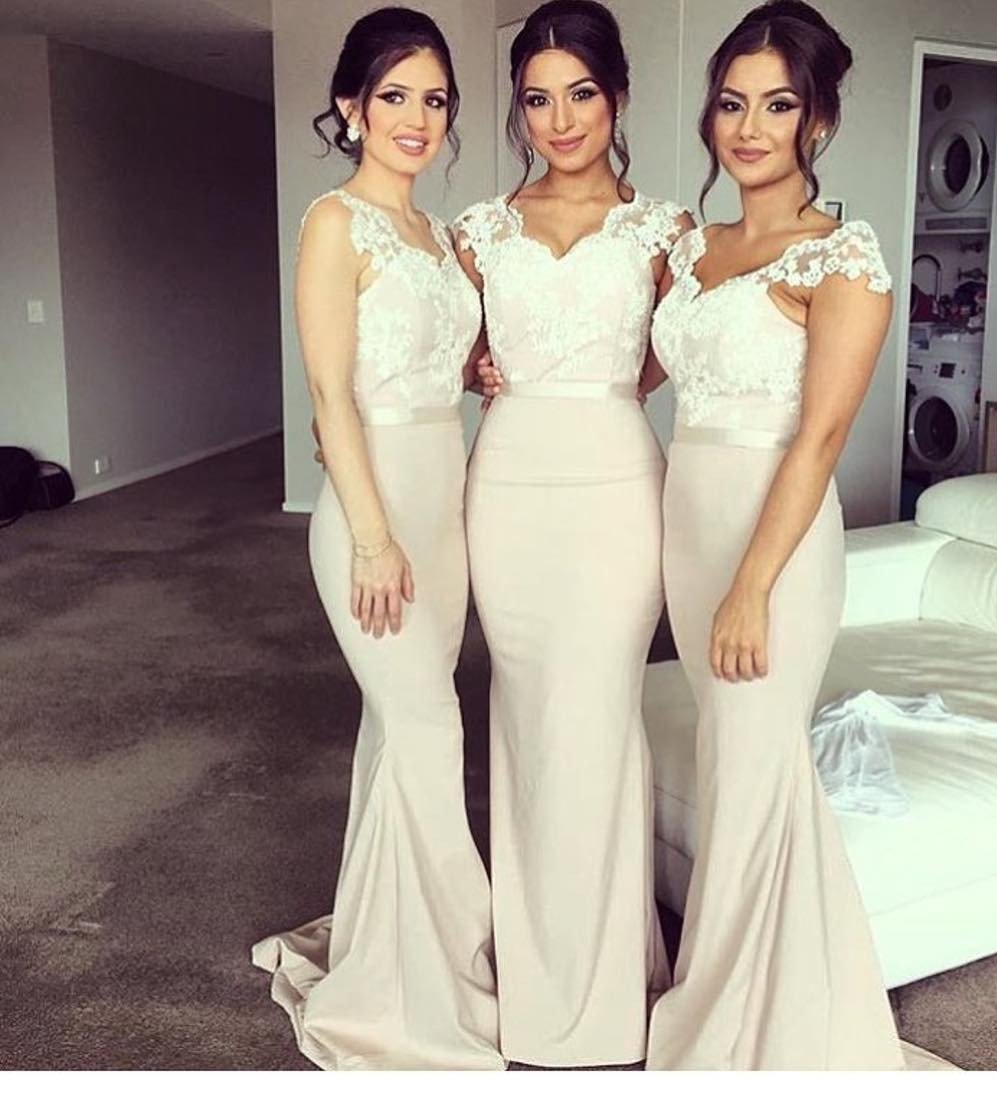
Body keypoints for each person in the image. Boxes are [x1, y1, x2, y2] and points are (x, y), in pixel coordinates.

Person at [644, 0, 920, 1069]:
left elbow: (822, 437)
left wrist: (753, 586)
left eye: (777, 105)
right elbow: (645, 369)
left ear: (820, 120)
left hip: (778, 546)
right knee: (737, 762)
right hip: (689, 528)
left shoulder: (841, 258)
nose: (749, 128)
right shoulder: (693, 247)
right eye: (731, 103)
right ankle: (786, 995)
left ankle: (739, 1034)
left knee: (754, 763)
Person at [250, 8, 502, 1070]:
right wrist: (368, 536)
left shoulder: (438, 238)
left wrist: (474, 372)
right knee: (433, 731)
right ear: (351, 106)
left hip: (443, 507)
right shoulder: (334, 222)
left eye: (434, 99)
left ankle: (392, 949)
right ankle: (465, 965)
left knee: (401, 733)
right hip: (374, 515)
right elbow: (330, 395)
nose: (416, 117)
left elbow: (425, 364)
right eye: (395, 95)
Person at [453, 0, 692, 1068]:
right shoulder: (480, 230)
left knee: (598, 717)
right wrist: (476, 368)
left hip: (615, 488)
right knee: (524, 720)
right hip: (507, 485)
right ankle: (539, 966)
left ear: (618, 98)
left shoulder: (665, 230)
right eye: (538, 99)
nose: (559, 120)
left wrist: (609, 385)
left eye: (580, 94)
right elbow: (446, 344)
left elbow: (681, 348)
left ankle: (606, 983)